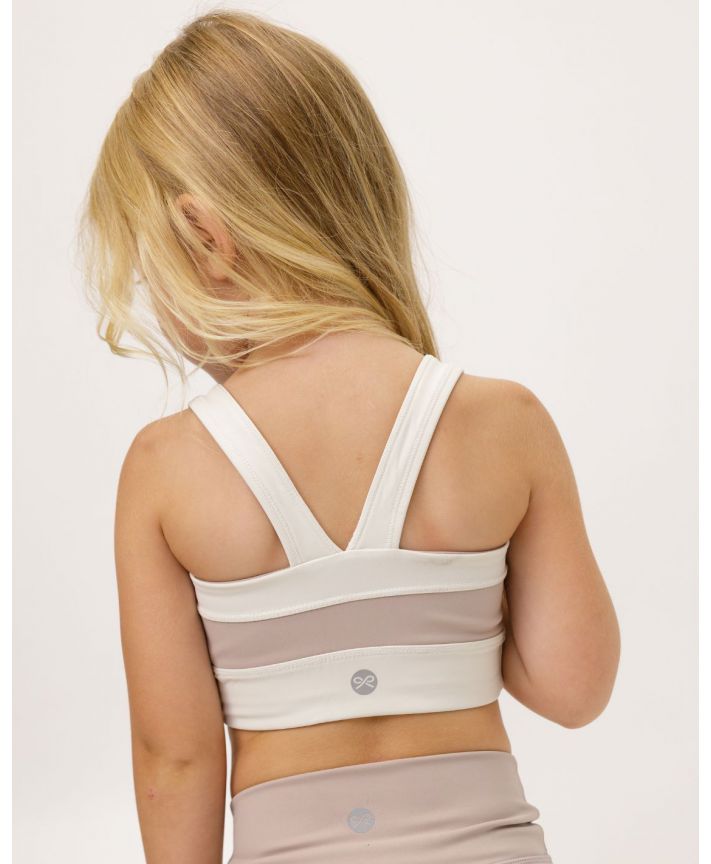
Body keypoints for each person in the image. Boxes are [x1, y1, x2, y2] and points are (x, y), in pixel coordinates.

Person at [77, 9, 621, 863]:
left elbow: (174, 760)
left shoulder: (169, 469)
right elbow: (573, 687)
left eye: (148, 270)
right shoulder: (502, 424)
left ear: (206, 240)